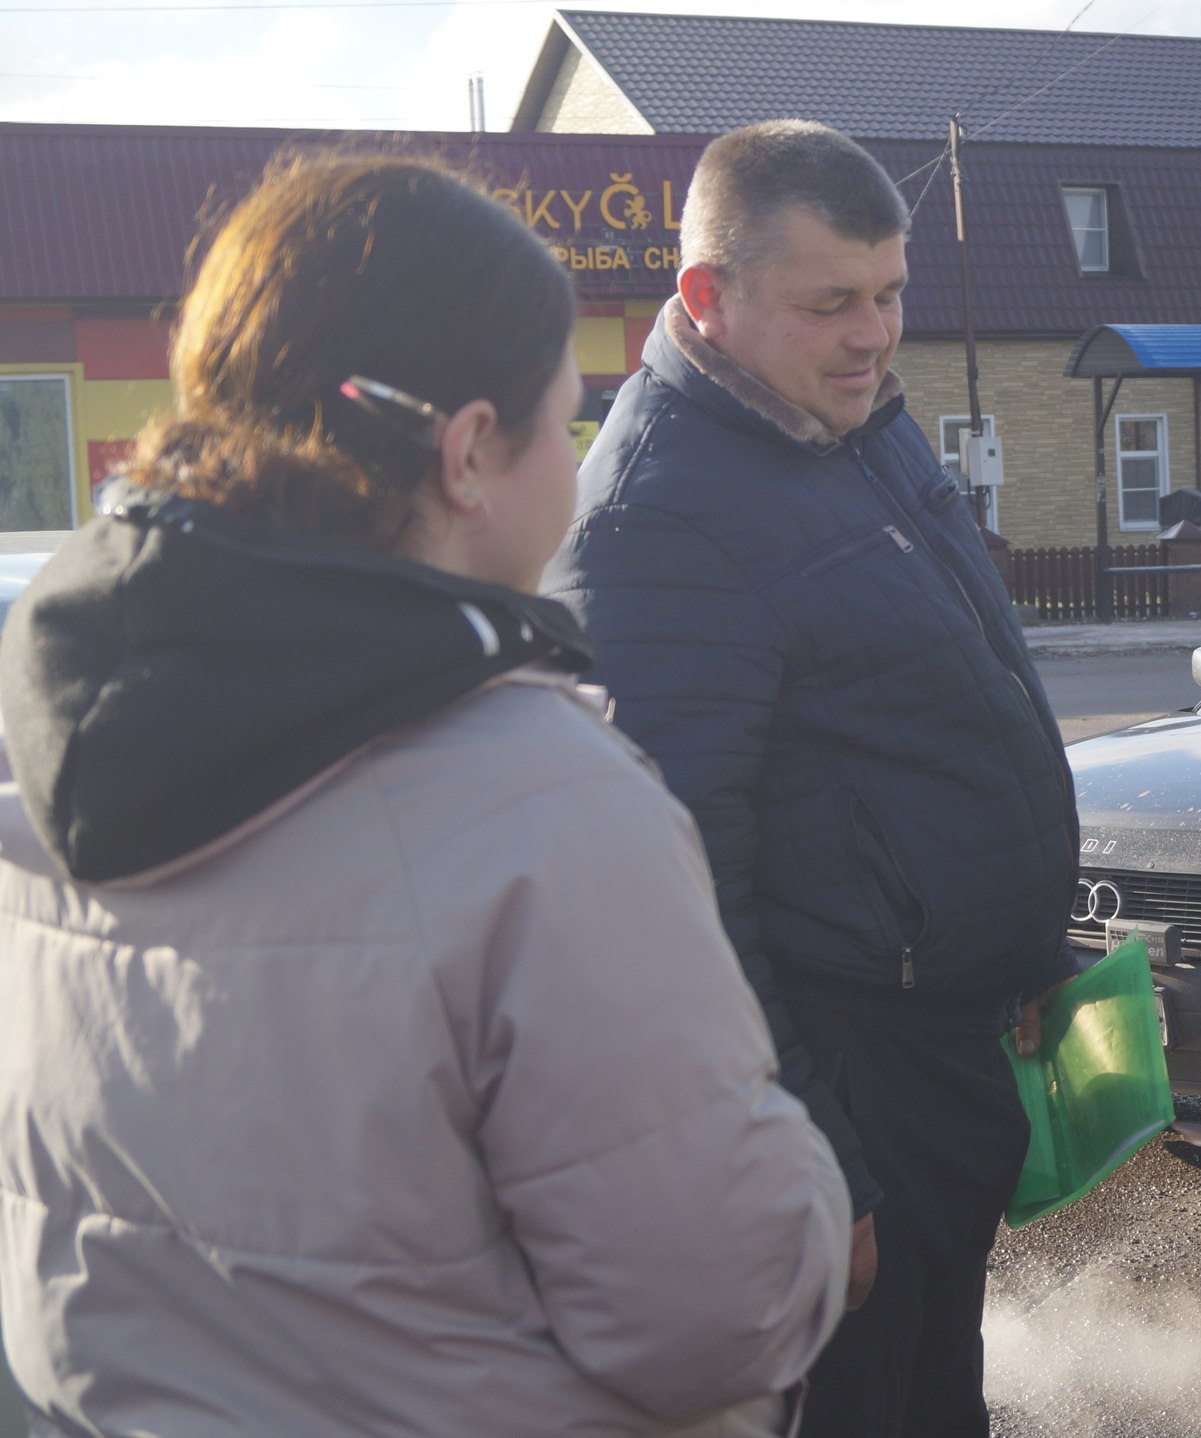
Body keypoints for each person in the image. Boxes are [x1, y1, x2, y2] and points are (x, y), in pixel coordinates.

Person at [0, 154, 852, 1437]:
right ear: (466, 454)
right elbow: (717, 1316)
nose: (576, 463)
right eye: (566, 420)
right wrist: (817, 1188)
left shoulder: (52, 761)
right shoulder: (542, 802)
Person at [543, 122, 1078, 1435]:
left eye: (890, 294)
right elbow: (680, 884)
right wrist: (813, 1160)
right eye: (830, 302)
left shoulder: (854, 424)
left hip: (937, 1061)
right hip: (842, 1087)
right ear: (707, 302)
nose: (872, 333)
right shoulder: (661, 512)